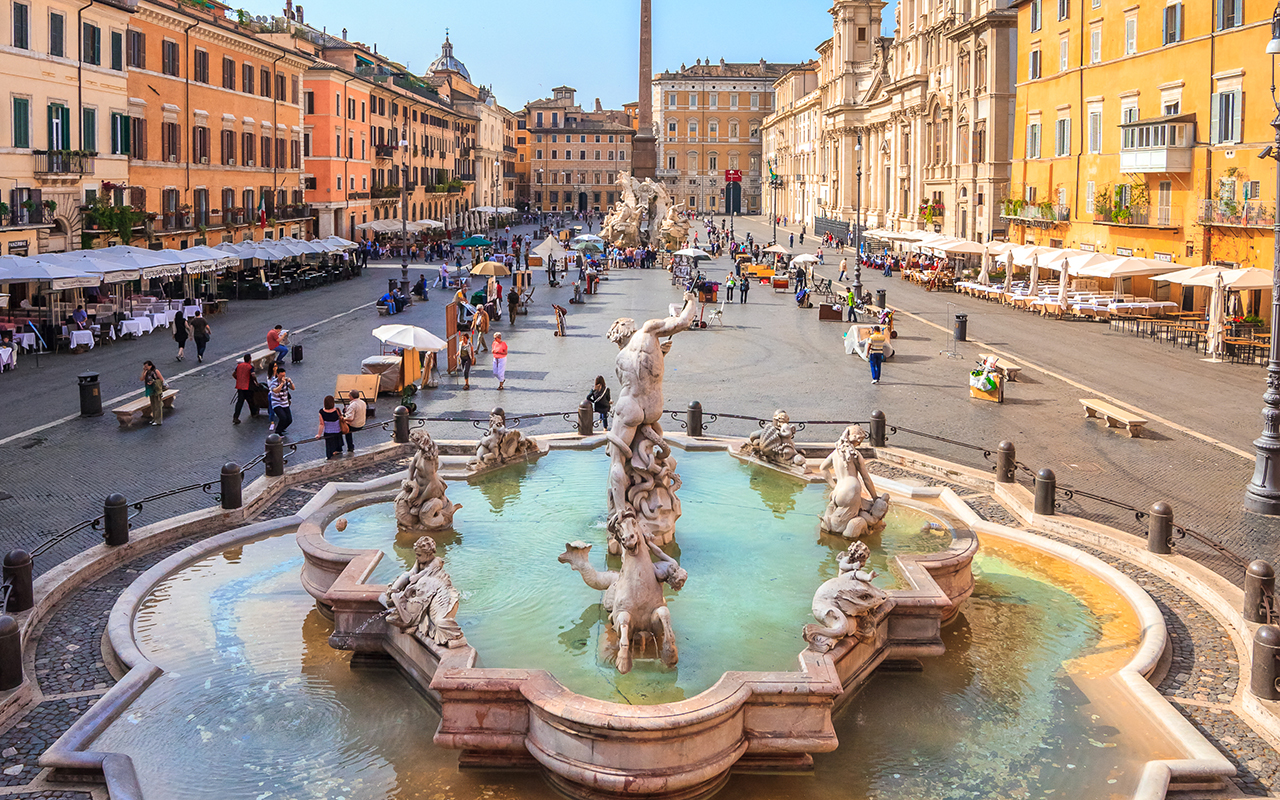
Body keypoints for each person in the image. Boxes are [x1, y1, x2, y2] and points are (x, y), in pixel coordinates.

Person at [232, 354, 258, 423]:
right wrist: (256, 382)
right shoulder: (250, 367)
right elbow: (253, 376)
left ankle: (235, 417)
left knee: (239, 402)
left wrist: (239, 379)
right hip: (248, 387)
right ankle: (254, 413)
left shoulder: (238, 366)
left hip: (240, 387)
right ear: (250, 359)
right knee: (250, 400)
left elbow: (234, 374)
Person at [317, 395, 345, 460]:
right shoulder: (337, 410)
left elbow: (321, 424)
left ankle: (330, 457)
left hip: (328, 432)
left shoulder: (321, 412)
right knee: (338, 448)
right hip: (337, 432)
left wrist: (319, 434)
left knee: (330, 448)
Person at [271, 367, 296, 435]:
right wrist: (281, 384)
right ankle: (278, 432)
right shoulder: (274, 382)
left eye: (284, 375)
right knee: (283, 418)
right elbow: (276, 391)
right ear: (277, 374)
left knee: (289, 420)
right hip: (276, 403)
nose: (283, 377)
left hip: (285, 403)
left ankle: (282, 428)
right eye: (281, 375)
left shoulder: (286, 381)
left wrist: (290, 382)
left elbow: (293, 388)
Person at [141, 360, 165, 426]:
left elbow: (161, 380)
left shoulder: (156, 371)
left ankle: (158, 420)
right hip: (150, 390)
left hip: (157, 390)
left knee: (158, 405)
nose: (145, 367)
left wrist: (153, 382)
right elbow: (142, 379)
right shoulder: (147, 372)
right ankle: (154, 418)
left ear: (150, 365)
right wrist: (143, 371)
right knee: (153, 405)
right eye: (144, 366)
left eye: (146, 366)